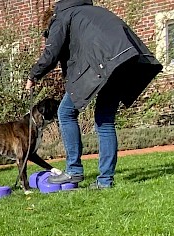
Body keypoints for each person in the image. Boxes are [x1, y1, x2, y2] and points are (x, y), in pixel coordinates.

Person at [26, 0, 162, 188]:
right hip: (123, 62)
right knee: (104, 120)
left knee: (66, 112)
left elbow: (52, 52)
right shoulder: (91, 12)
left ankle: (73, 171)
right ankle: (105, 181)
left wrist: (33, 75)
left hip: (105, 63)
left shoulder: (61, 16)